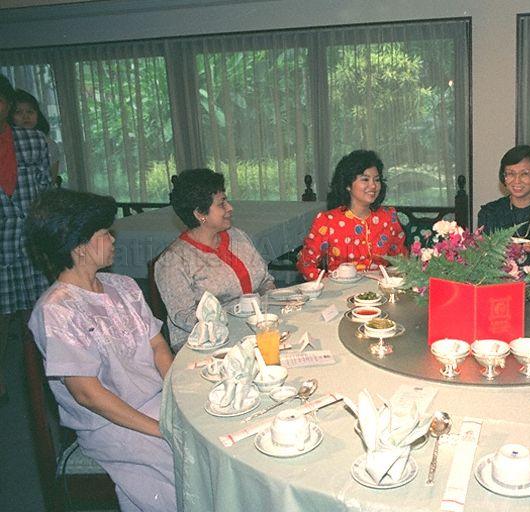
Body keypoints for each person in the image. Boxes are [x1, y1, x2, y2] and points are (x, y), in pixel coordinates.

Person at [25, 188, 176, 512]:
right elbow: (88, 395)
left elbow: (158, 346)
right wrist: (159, 429)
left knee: (212, 431)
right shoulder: (57, 310)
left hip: (158, 400)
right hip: (109, 423)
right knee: (184, 459)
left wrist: (178, 394)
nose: (113, 238)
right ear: (79, 247)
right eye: (105, 233)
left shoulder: (124, 286)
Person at [156, 168, 275, 350]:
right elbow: (184, 317)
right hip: (206, 344)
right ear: (199, 214)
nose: (230, 208)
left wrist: (269, 313)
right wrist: (236, 319)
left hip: (253, 328)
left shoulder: (237, 237)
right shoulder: (173, 261)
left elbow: (265, 281)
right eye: (222, 204)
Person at [0, 74, 51, 404]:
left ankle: (49, 375)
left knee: (42, 313)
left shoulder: (32, 141)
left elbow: (46, 191)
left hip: (30, 244)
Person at [296, 149, 407, 280]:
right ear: (348, 185)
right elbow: (306, 265)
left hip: (380, 294)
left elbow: (403, 262)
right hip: (340, 296)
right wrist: (330, 282)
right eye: (365, 179)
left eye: (377, 180)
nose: (373, 186)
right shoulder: (328, 221)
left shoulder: (388, 217)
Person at [11, 88, 61, 179]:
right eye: (18, 112)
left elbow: (51, 178)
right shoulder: (7, 142)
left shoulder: (48, 143)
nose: (26, 116)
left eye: (30, 112)